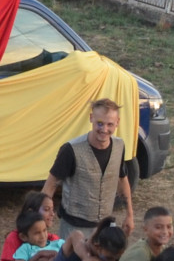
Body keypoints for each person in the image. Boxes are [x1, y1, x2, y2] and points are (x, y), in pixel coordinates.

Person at [40, 97, 134, 234]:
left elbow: (122, 179)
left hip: (104, 227)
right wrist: (41, 218)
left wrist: (129, 214)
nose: (104, 129)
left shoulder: (119, 146)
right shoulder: (71, 150)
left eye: (110, 124)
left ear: (117, 122)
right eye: (100, 123)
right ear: (91, 118)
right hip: (73, 227)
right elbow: (51, 185)